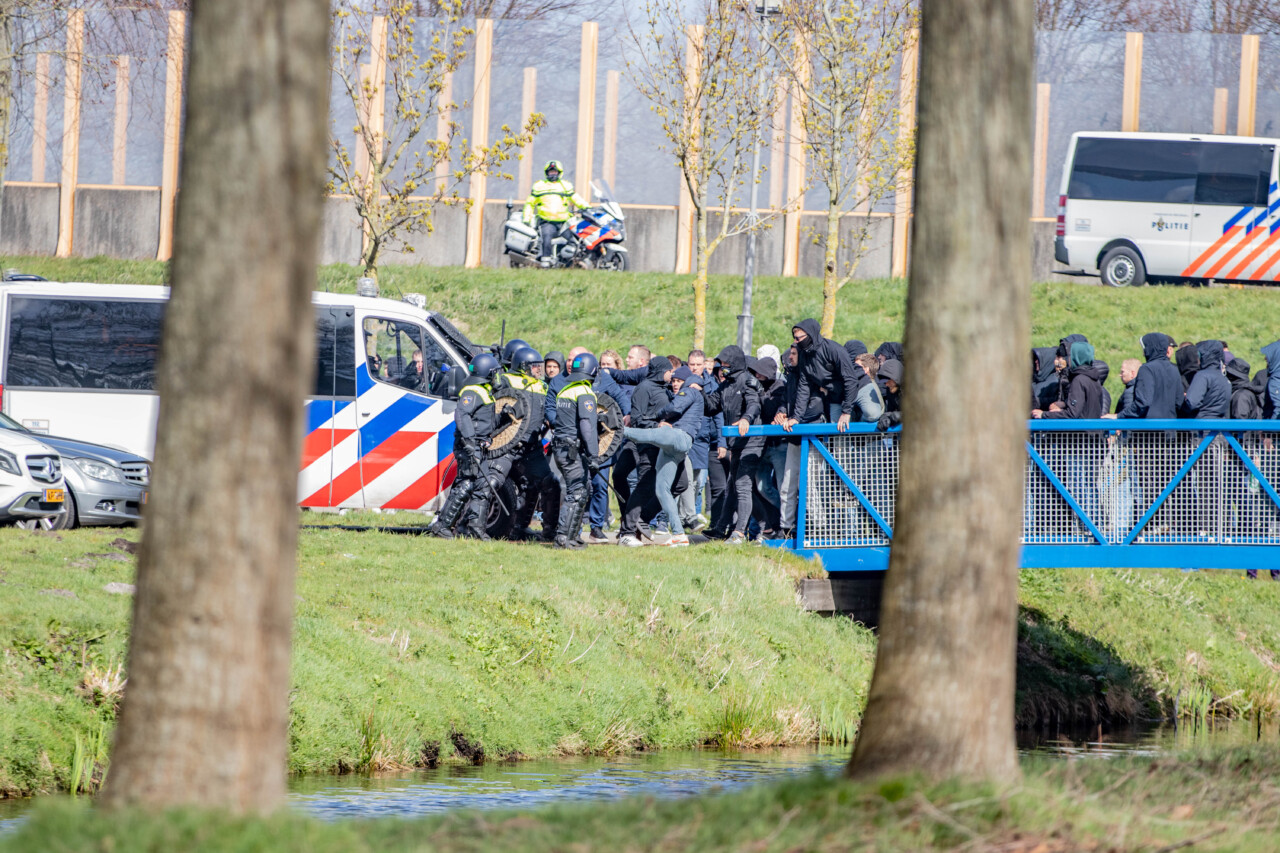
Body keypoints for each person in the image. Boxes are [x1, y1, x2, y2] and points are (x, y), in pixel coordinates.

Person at [623, 366, 704, 547]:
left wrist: (659, 417)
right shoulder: (693, 391)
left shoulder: (690, 391)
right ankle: (678, 535)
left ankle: (620, 431)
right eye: (673, 381)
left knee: (653, 434)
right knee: (662, 489)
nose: (675, 384)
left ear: (688, 382)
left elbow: (674, 408)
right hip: (673, 448)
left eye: (679, 381)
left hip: (679, 437)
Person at [428, 353, 502, 540]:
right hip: (469, 445)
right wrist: (469, 442)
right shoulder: (473, 391)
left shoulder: (484, 391)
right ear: (486, 372)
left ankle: (475, 529)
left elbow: (485, 422)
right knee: (467, 483)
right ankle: (442, 526)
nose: (496, 377)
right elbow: (462, 415)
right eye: (494, 373)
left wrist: (505, 418)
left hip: (477, 445)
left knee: (482, 486)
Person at [702, 345, 762, 543]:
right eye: (721, 364)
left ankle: (739, 532)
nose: (723, 368)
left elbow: (754, 403)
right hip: (735, 443)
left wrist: (746, 418)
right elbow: (711, 406)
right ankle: (720, 529)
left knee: (742, 485)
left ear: (735, 363)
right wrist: (698, 389)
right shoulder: (725, 384)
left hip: (751, 441)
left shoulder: (747, 380)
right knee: (731, 487)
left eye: (726, 364)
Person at [615, 355, 675, 547]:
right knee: (645, 486)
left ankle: (642, 519)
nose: (671, 374)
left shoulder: (664, 389)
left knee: (677, 485)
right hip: (648, 445)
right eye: (668, 370)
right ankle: (627, 532)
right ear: (660, 371)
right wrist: (658, 425)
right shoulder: (644, 389)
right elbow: (638, 419)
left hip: (665, 446)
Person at [503, 346, 558, 542]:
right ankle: (474, 528)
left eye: (539, 367)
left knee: (550, 484)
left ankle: (543, 531)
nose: (539, 370)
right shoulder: (505, 380)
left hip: (531, 447)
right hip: (506, 445)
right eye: (535, 367)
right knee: (490, 484)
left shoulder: (543, 386)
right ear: (523, 367)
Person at [549, 352, 600, 548]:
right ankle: (563, 537)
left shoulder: (565, 391)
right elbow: (587, 426)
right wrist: (594, 455)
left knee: (583, 489)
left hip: (562, 448)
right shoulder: (584, 393)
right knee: (576, 492)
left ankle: (572, 536)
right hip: (571, 451)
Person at [784, 318, 858, 432]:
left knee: (872, 413)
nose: (796, 341)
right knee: (838, 431)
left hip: (857, 388)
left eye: (798, 338)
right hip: (836, 396)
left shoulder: (834, 349)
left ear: (809, 335)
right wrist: (796, 417)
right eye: (794, 338)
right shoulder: (804, 355)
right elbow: (804, 387)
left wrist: (846, 411)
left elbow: (851, 379)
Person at [522, 160, 587, 267]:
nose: (552, 174)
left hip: (564, 222)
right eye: (550, 172)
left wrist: (587, 207)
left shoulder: (565, 186)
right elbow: (529, 203)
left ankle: (569, 263)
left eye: (555, 172)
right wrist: (527, 218)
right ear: (546, 173)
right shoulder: (540, 186)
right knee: (547, 239)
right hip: (547, 222)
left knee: (573, 241)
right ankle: (545, 264)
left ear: (559, 173)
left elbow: (576, 198)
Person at [1104, 333, 1181, 420]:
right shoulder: (1174, 369)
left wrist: (1119, 416)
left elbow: (1143, 402)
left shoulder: (1147, 369)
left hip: (1149, 428)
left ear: (1150, 348)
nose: (1143, 354)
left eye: (1145, 349)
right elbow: (1179, 402)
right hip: (1170, 427)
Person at [1034, 341, 1105, 420]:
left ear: (1075, 357)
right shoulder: (1094, 379)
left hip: (1081, 431)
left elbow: (1072, 414)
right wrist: (1063, 407)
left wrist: (1044, 415)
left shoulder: (1078, 380)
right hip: (1094, 430)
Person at [1182, 340, 1230, 419]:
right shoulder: (1223, 377)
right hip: (1219, 425)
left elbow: (1192, 403)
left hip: (1202, 426)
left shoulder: (1202, 375)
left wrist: (1183, 398)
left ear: (1205, 355)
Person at [875, 358, 903, 431]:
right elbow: (891, 410)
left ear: (896, 378)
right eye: (884, 382)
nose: (886, 384)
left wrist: (899, 415)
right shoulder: (890, 390)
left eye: (888, 381)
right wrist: (885, 416)